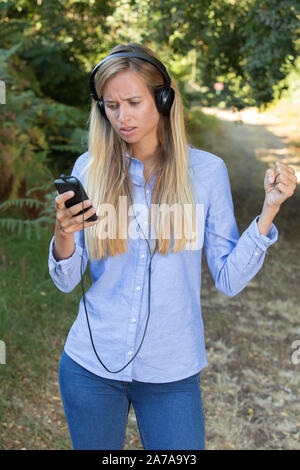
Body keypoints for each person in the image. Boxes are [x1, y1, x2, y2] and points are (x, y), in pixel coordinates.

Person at [48, 43, 297, 451]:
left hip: (171, 373)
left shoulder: (207, 172)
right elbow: (66, 281)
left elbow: (229, 280)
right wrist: (64, 233)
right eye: (111, 106)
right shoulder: (88, 169)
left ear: (163, 100)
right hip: (89, 368)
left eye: (133, 102)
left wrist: (269, 209)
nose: (121, 117)